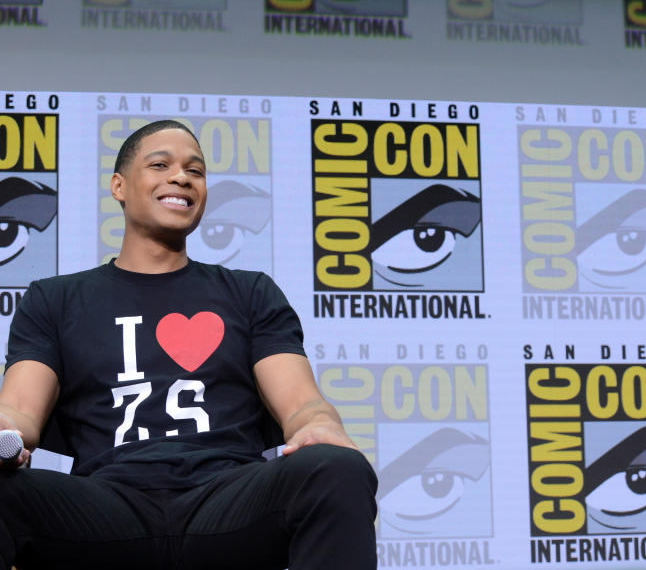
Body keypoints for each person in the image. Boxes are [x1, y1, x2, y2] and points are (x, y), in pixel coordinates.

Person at [0, 120, 377, 569]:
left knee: (337, 470)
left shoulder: (250, 292)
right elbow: (19, 409)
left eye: (195, 171)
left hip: (229, 500)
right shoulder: (55, 299)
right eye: (160, 164)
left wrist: (321, 426)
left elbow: (301, 404)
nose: (181, 177)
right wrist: (6, 433)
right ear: (119, 186)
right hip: (105, 505)